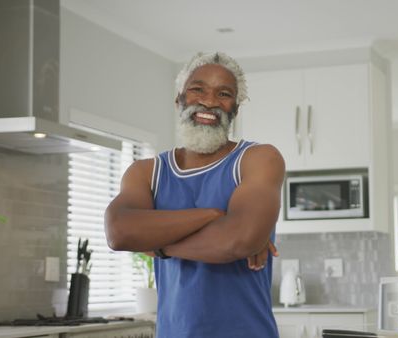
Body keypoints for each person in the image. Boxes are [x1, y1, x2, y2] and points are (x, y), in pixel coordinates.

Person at [104, 52, 285, 338]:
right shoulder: (146, 171)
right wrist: (213, 215)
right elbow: (118, 232)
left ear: (235, 109)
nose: (210, 102)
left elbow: (237, 241)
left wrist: (158, 245)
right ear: (179, 101)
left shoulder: (258, 159)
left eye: (223, 94)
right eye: (197, 89)